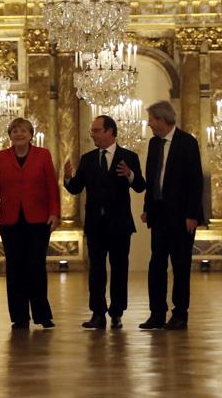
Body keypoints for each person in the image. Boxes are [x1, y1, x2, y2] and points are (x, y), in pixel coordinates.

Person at [63, 114, 145, 329]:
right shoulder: (88, 159)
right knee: (96, 270)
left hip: (119, 224)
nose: (92, 134)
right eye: (92, 131)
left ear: (110, 131)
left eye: (97, 130)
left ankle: (117, 313)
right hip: (95, 224)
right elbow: (76, 188)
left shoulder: (128, 157)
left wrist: (129, 175)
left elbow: (140, 186)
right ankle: (97, 313)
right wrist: (68, 178)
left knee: (119, 269)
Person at [0, 117, 60, 329]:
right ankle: (19, 316)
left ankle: (42, 314)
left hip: (38, 219)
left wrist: (55, 212)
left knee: (36, 266)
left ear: (30, 134)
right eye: (15, 131)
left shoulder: (43, 155)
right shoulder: (1, 157)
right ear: (10, 135)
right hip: (10, 219)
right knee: (15, 268)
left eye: (23, 131)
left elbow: (51, 186)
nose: (19, 134)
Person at [141, 100, 204, 330]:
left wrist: (192, 214)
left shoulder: (187, 142)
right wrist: (148, 207)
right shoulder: (154, 144)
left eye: (151, 120)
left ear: (162, 119)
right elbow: (152, 178)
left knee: (180, 266)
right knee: (156, 265)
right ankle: (156, 313)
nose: (149, 124)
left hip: (181, 217)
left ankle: (180, 314)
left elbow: (195, 181)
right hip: (159, 215)